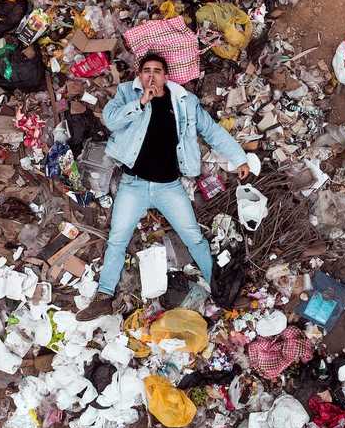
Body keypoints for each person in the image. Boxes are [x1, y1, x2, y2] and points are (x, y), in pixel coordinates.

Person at [77, 52, 250, 320]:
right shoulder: (127, 93)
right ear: (139, 75)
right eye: (146, 70)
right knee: (117, 239)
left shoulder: (184, 101)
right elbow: (111, 120)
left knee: (194, 238)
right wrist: (141, 101)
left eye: (157, 70)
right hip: (132, 185)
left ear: (165, 76)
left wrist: (239, 157)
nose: (152, 75)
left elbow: (212, 131)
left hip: (169, 187)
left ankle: (222, 292)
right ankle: (103, 296)